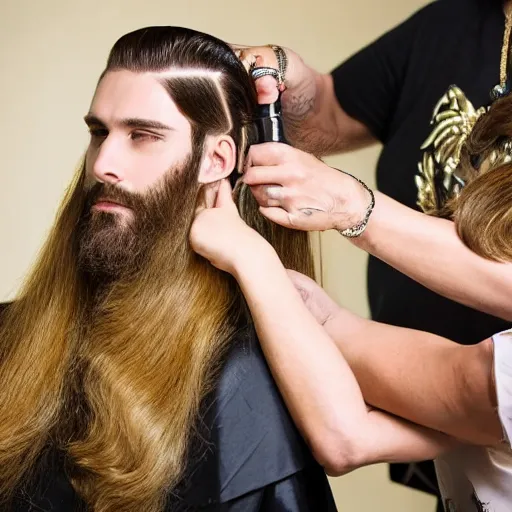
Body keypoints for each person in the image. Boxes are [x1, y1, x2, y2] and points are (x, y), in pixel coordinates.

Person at [0, 26, 339, 512]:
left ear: (215, 159)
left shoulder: (243, 383)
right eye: (99, 133)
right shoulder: (13, 341)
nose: (103, 164)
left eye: (143, 136)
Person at [232, 0, 512, 504]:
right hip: (457, 452)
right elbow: (332, 111)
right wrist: (293, 80)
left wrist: (350, 207)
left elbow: (474, 391)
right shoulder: (450, 22)